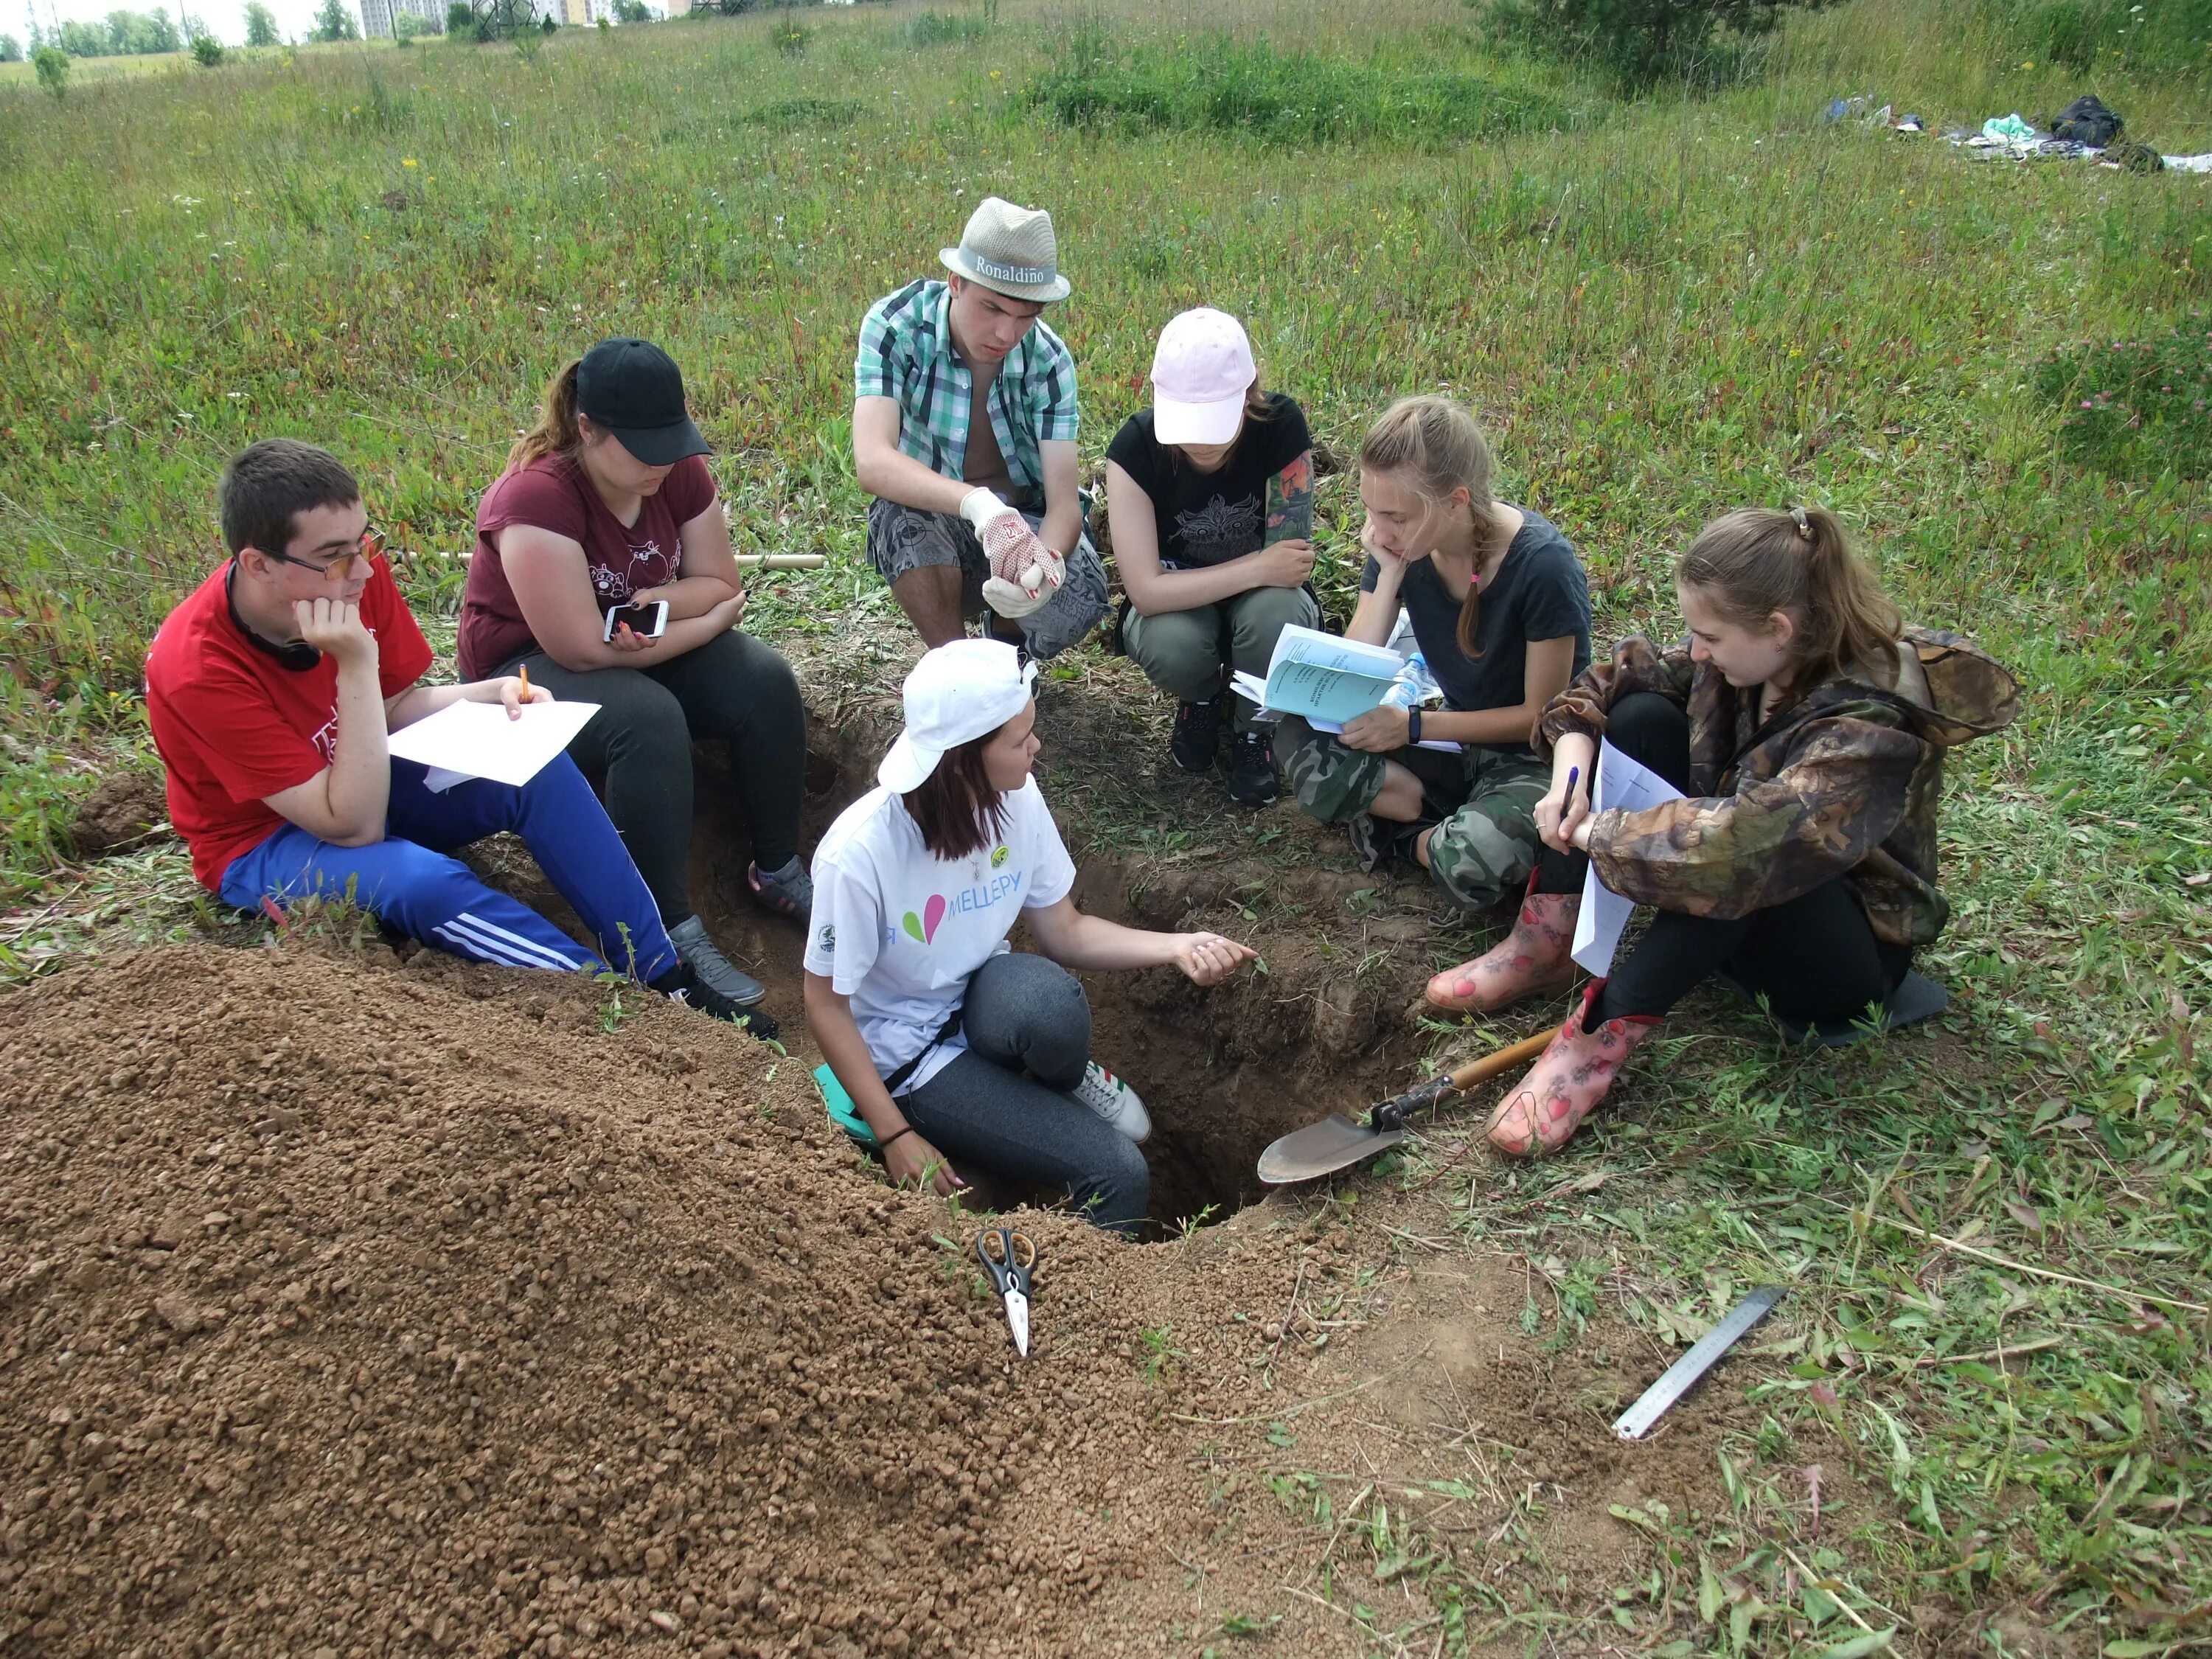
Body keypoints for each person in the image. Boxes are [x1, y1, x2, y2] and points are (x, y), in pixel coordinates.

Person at [145, 439, 762, 1027]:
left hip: (363, 771)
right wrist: (356, 664)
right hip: (267, 839)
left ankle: (661, 974)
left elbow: (395, 706)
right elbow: (352, 825)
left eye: (366, 543)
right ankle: (608, 1003)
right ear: (258, 564)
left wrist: (486, 695)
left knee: (535, 760)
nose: (362, 570)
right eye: (336, 556)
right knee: (424, 883)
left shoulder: (352, 575)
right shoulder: (197, 666)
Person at [1467, 504, 2018, 1155]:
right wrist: (1570, 777)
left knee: (1739, 859)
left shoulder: (1869, 727)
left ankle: (1593, 1044)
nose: (1697, 650)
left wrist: (1593, 833)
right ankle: (1547, 941)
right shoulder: (1757, 657)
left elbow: (1741, 848)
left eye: (1711, 636)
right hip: (1741, 872)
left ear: (1779, 628)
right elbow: (1617, 679)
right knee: (1642, 715)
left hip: (1835, 959)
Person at [803, 640, 1258, 1235]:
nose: (1035, 748)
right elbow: (825, 1003)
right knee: (1118, 1173)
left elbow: (1064, 931)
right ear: (963, 759)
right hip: (909, 1056)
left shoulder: (1014, 799)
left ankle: (1065, 1084)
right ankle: (1086, 1307)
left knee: (1050, 1005)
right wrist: (894, 1133)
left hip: (980, 1001)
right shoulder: (859, 856)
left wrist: (1174, 946)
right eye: (1020, 740)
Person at [458, 337, 810, 1016]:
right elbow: (583, 649)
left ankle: (777, 868)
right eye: (644, 447)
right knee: (647, 720)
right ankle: (663, 934)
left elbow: (719, 580)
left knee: (763, 680)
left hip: (633, 637)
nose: (663, 461)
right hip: (520, 675)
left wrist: (660, 606)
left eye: (672, 440)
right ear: (586, 430)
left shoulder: (675, 471)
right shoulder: (535, 499)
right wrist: (705, 623)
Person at [1278, 396, 1592, 913]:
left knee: (1475, 856)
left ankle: (1411, 835)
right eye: (1371, 512)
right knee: (1297, 737)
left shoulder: (1542, 569)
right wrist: (1390, 575)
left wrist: (1414, 728)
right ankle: (1431, 816)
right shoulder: (1407, 548)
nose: (1379, 531)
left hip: (1527, 758)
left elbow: (1541, 718)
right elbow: (1351, 665)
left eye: (1395, 517)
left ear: (1456, 501)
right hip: (1455, 743)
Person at [852, 195, 1110, 661]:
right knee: (900, 517)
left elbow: (1064, 506)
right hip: (936, 521)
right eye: (992, 309)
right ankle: (955, 669)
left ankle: (1008, 649)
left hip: (1027, 522)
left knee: (1078, 601)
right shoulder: (896, 327)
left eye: (1026, 316)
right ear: (955, 283)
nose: (1006, 335)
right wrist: (979, 505)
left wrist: (1042, 565)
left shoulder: (1049, 361)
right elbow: (872, 461)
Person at [1105, 307, 1318, 807]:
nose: (1200, 441)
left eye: (1215, 422)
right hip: (1183, 607)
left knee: (1278, 614)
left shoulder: (1282, 427)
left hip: (1260, 599)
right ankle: (1200, 695)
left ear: (1249, 396)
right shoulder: (1135, 449)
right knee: (1173, 644)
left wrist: (1266, 573)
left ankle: (1254, 724)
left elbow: (1290, 566)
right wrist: (1255, 567)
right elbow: (1145, 591)